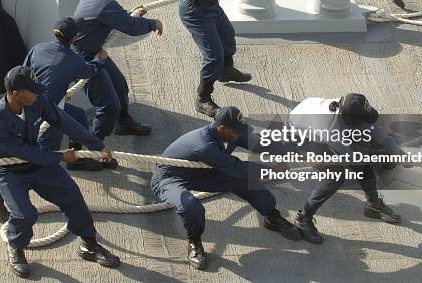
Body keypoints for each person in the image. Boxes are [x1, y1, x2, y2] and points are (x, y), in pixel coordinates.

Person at [0, 66, 120, 277]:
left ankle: (89, 245)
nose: (36, 94)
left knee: (72, 195)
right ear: (16, 94)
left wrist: (95, 145)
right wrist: (61, 157)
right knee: (25, 214)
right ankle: (16, 246)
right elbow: (24, 152)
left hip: (37, 162)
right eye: (31, 90)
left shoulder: (36, 101)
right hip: (9, 170)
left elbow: (63, 120)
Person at [0, 18, 119, 223]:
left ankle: (80, 159)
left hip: (44, 103)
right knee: (40, 158)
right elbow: (90, 71)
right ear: (75, 38)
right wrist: (100, 58)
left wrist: (95, 146)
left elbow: (25, 70)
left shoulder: (37, 49)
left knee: (78, 116)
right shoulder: (73, 59)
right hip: (40, 111)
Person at [151, 106, 301, 270]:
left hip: (203, 171)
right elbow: (237, 167)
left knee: (244, 181)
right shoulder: (205, 145)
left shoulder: (231, 133)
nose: (239, 134)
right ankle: (194, 241)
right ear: (222, 128)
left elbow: (256, 142)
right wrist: (271, 170)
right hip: (170, 177)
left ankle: (272, 217)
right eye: (236, 131)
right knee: (189, 205)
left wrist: (292, 148)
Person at [289, 93, 406, 244]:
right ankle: (303, 218)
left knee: (367, 149)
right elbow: (354, 157)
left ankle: (373, 205)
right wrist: (385, 160)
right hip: (302, 137)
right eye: (361, 121)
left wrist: (398, 152)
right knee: (336, 174)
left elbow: (376, 130)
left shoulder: (349, 107)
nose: (365, 123)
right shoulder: (330, 128)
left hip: (316, 124)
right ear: (350, 119)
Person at [73, 0, 162, 140]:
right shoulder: (103, 2)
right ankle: (91, 148)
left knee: (119, 85)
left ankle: (123, 123)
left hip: (94, 52)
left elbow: (118, 18)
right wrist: (154, 24)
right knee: (108, 106)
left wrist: (132, 14)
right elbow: (130, 27)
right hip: (84, 60)